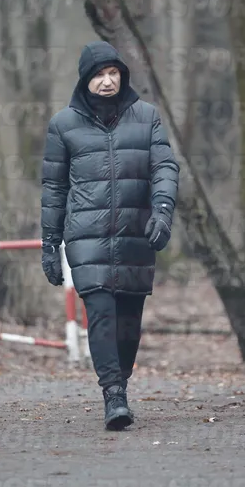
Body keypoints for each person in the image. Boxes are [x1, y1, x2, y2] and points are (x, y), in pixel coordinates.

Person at [41, 41, 179, 430]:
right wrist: (50, 244)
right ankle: (114, 395)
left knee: (128, 325)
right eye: (99, 75)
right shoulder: (63, 125)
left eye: (113, 73)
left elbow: (165, 167)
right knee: (101, 314)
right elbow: (54, 189)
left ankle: (121, 380)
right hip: (87, 237)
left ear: (122, 75)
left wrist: (163, 211)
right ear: (85, 80)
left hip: (137, 235)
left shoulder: (147, 117)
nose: (107, 81)